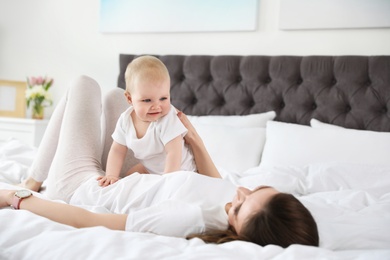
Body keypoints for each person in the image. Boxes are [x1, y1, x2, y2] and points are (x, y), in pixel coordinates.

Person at [0, 75, 319, 248]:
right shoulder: (237, 203)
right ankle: (37, 178)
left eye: (238, 207)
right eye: (253, 190)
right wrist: (194, 138)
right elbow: (220, 185)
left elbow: (91, 222)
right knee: (115, 96)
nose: (238, 195)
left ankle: (32, 180)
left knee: (84, 85)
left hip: (81, 189)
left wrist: (19, 198)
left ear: (236, 232)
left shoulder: (185, 221)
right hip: (122, 180)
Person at [97, 55, 196, 187]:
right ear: (129, 98)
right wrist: (111, 175)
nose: (156, 105)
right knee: (129, 177)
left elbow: (174, 153)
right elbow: (117, 150)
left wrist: (166, 182)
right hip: (150, 169)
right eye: (147, 100)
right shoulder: (125, 120)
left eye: (163, 98)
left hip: (181, 171)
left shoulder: (168, 118)